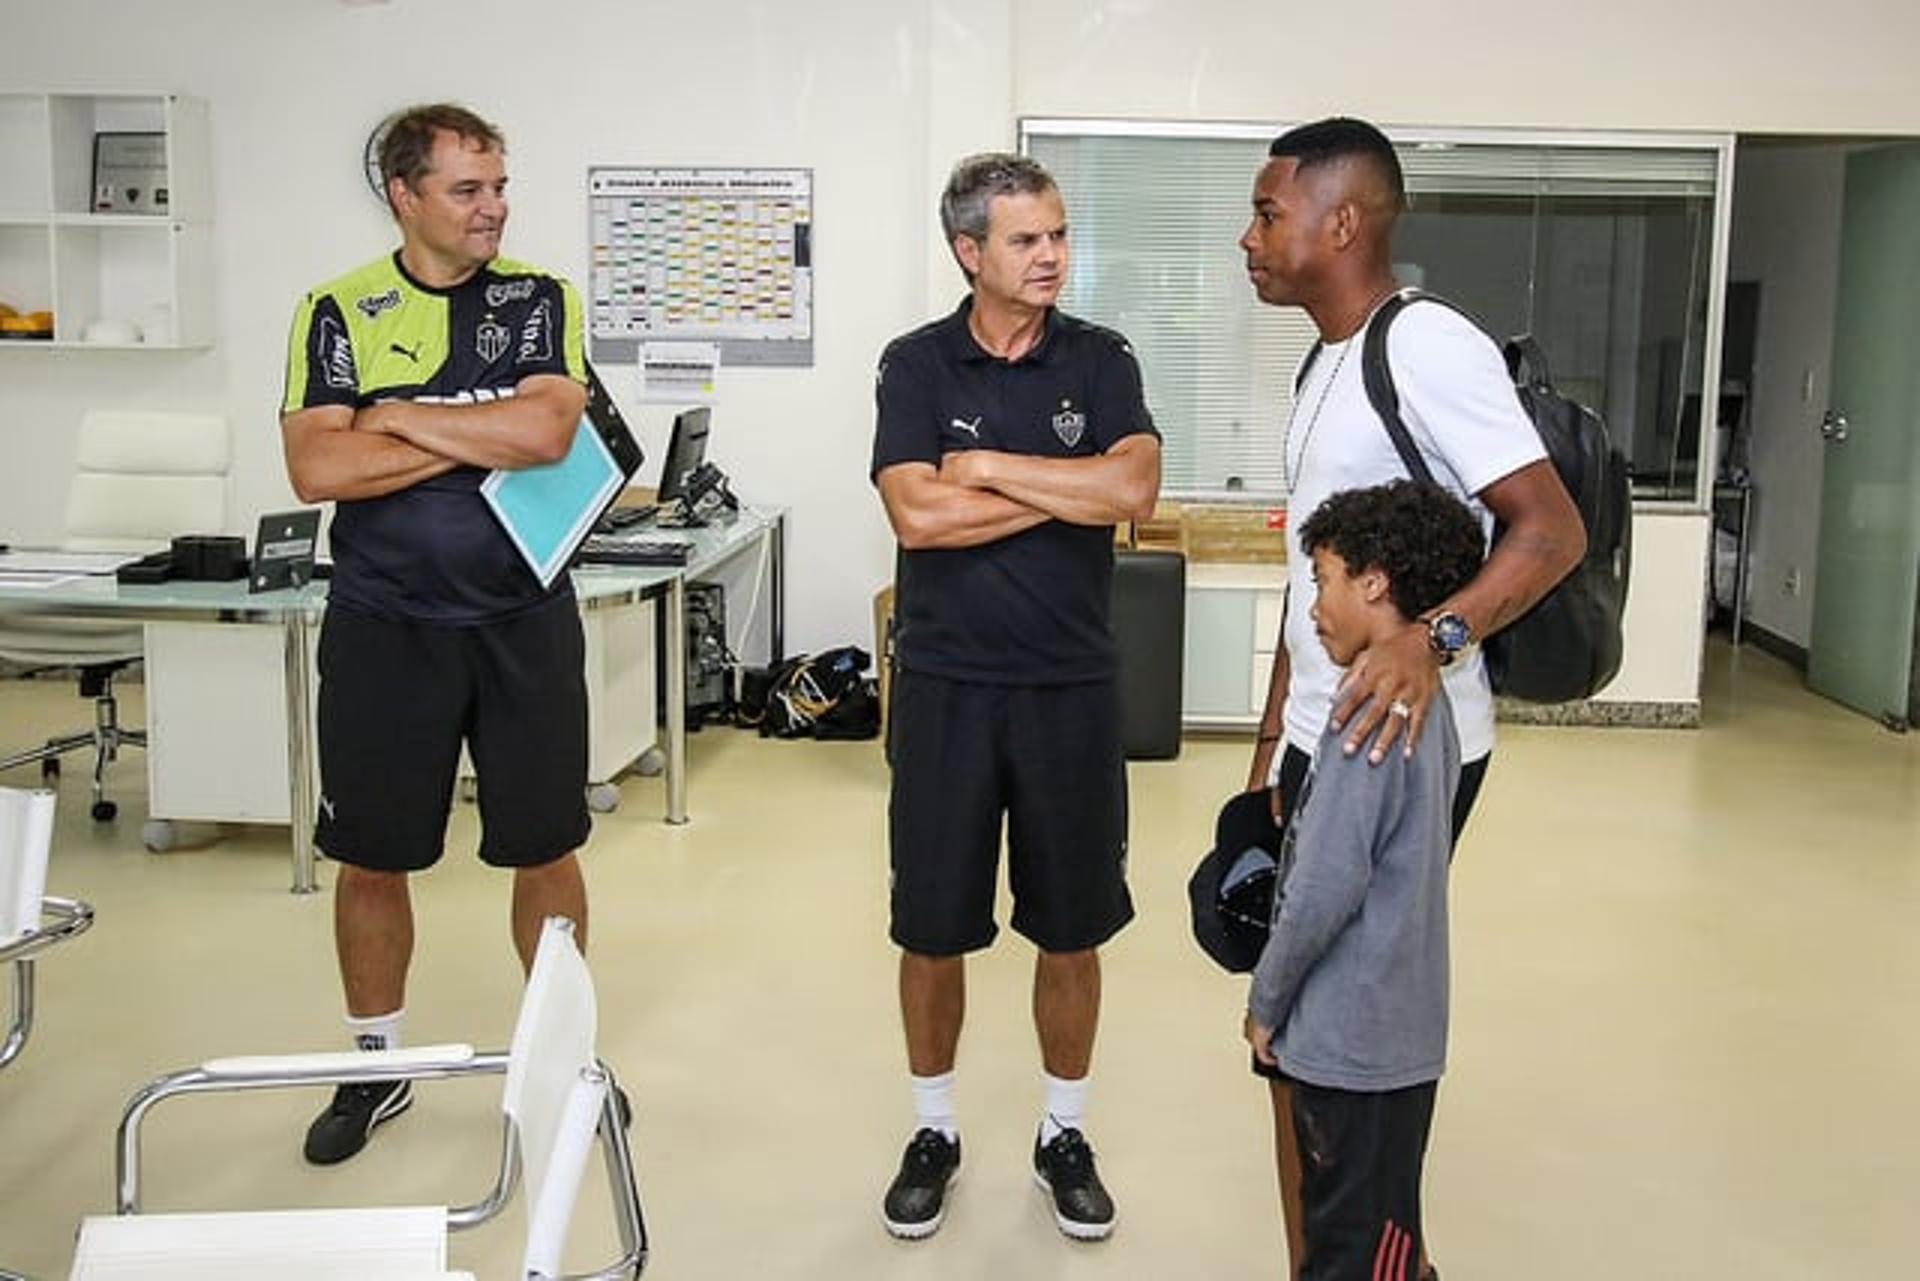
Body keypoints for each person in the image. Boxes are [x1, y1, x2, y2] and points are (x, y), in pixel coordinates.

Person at [1238, 117, 1587, 1276]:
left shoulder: (1426, 344)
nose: (1250, 236)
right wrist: (1265, 753)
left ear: (1342, 222)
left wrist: (1431, 641)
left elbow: (1550, 531)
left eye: (1268, 211)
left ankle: (1380, 1260)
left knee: (1346, 1045)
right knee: (1292, 1043)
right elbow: (1314, 582)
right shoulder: (1324, 356)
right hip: (1318, 737)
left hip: (1397, 741)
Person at [279, 103, 593, 1166]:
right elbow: (318, 469)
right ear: (403, 196)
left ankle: (564, 1062)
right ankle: (374, 1067)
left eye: (499, 184)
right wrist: (472, 430)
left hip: (523, 621)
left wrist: (399, 414)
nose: (493, 206)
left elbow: (548, 431)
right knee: (372, 860)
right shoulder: (336, 311)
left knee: (546, 849)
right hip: (385, 627)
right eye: (468, 189)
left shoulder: (540, 300)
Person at [869, 153, 1161, 1242]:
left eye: (1058, 236)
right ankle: (935, 1129)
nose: (1051, 257)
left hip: (1071, 692)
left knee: (1070, 928)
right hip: (945, 689)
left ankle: (1063, 1133)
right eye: (1026, 240)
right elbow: (916, 521)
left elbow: (1132, 489)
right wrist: (1063, 495)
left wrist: (987, 471)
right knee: (932, 928)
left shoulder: (1103, 358)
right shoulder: (916, 365)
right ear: (969, 253)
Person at [1244, 479, 1486, 1281]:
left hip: (1355, 1051)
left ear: (1375, 582)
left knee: (1356, 1254)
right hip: (1397, 1038)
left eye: (1323, 579)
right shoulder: (1433, 702)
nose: (1313, 607)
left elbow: (1320, 890)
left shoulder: (1366, 717)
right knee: (1383, 1237)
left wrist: (1266, 1001)